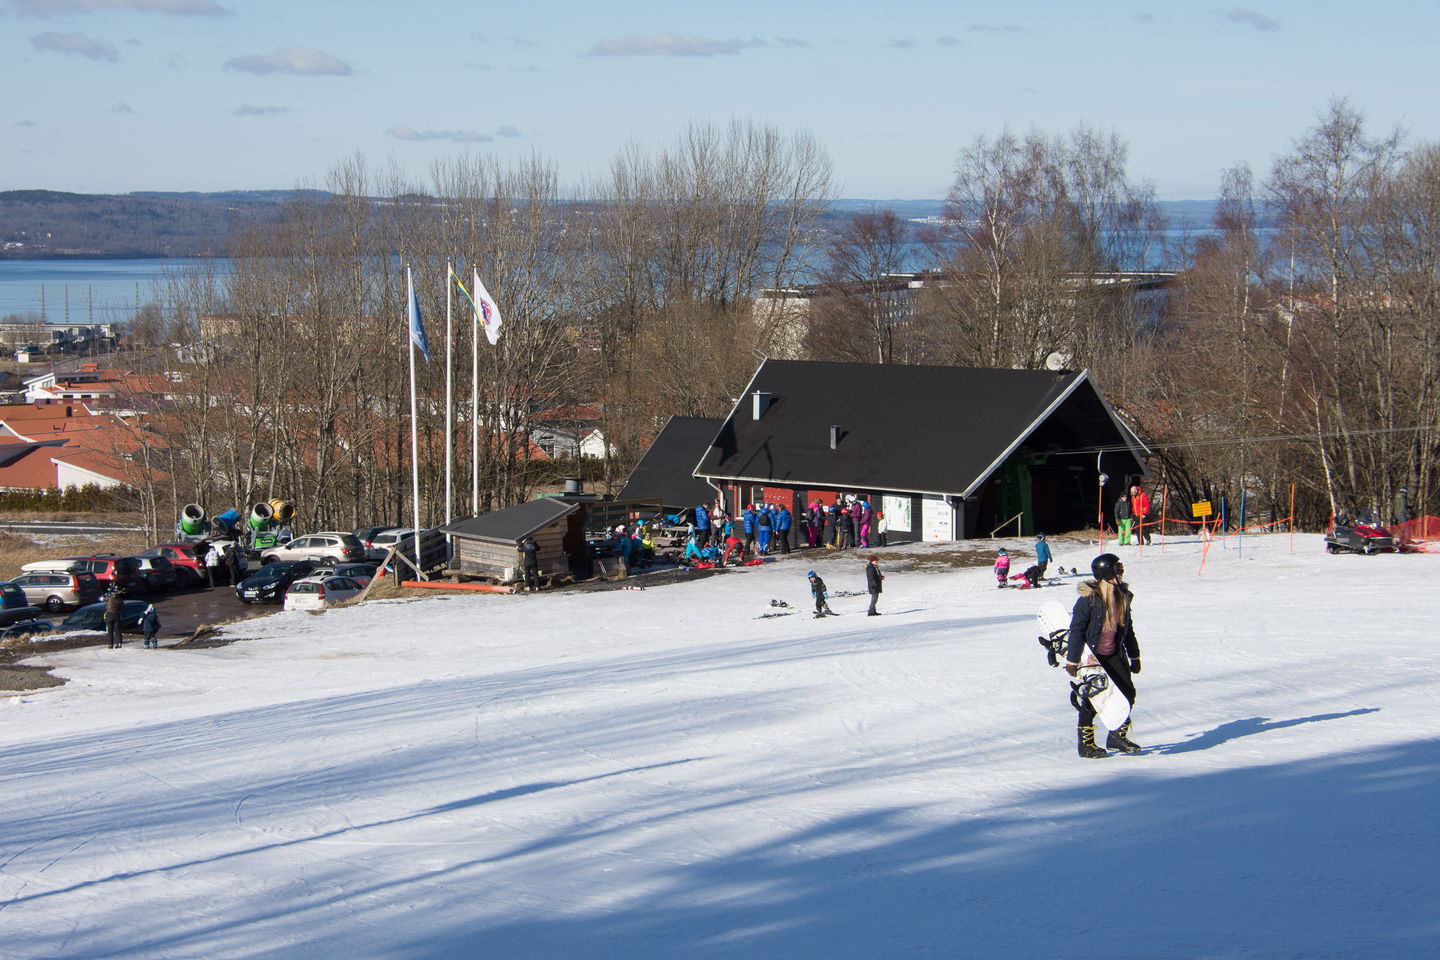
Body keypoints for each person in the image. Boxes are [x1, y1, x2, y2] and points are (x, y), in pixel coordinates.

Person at [1065, 553, 1142, 758]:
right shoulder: (1088, 599)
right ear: (1106, 573)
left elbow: (1128, 630)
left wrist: (1135, 656)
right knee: (1094, 698)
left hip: (1114, 654)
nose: (1121, 573)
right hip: (1094, 658)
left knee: (1127, 694)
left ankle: (1116, 737)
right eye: (1118, 570)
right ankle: (1085, 744)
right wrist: (1072, 660)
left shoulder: (1123, 597)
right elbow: (1077, 630)